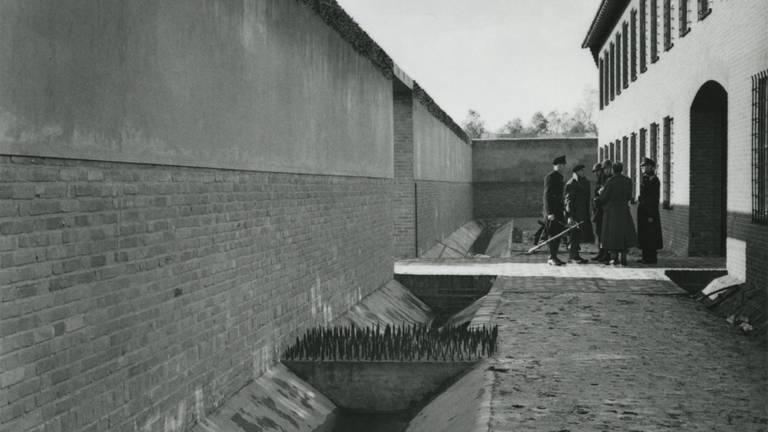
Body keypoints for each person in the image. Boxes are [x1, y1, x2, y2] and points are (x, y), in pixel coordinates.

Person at [598, 161, 637, 266]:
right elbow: (629, 197)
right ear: (622, 169)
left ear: (613, 170)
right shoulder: (628, 181)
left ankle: (614, 258)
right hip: (624, 210)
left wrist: (601, 193)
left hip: (612, 211)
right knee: (623, 234)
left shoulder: (610, 181)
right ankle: (624, 257)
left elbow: (603, 198)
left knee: (613, 235)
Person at [565, 164, 593, 263]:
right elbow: (568, 201)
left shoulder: (582, 182)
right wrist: (570, 216)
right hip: (574, 213)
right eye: (581, 171)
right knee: (573, 235)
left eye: (583, 171)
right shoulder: (572, 183)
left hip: (582, 213)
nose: (583, 172)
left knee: (578, 235)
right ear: (576, 172)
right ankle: (573, 256)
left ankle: (576, 255)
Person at [637, 158, 663, 263]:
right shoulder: (645, 178)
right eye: (642, 166)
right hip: (643, 210)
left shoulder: (654, 180)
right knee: (644, 234)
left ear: (651, 167)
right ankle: (645, 256)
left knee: (651, 235)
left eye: (645, 166)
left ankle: (651, 257)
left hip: (650, 211)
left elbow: (653, 198)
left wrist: (651, 214)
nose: (643, 168)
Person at [543, 155, 567, 266]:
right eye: (560, 165)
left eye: (563, 165)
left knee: (558, 234)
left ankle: (553, 256)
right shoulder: (551, 177)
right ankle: (552, 257)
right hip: (552, 211)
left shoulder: (560, 177)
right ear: (555, 165)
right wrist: (549, 213)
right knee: (553, 234)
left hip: (558, 210)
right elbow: (547, 196)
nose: (562, 167)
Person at [591, 160, 612, 263]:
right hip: (598, 210)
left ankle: (606, 254)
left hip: (603, 210)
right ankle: (601, 252)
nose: (596, 173)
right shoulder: (599, 181)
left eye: (598, 171)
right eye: (595, 171)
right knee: (599, 233)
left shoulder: (606, 180)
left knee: (604, 233)